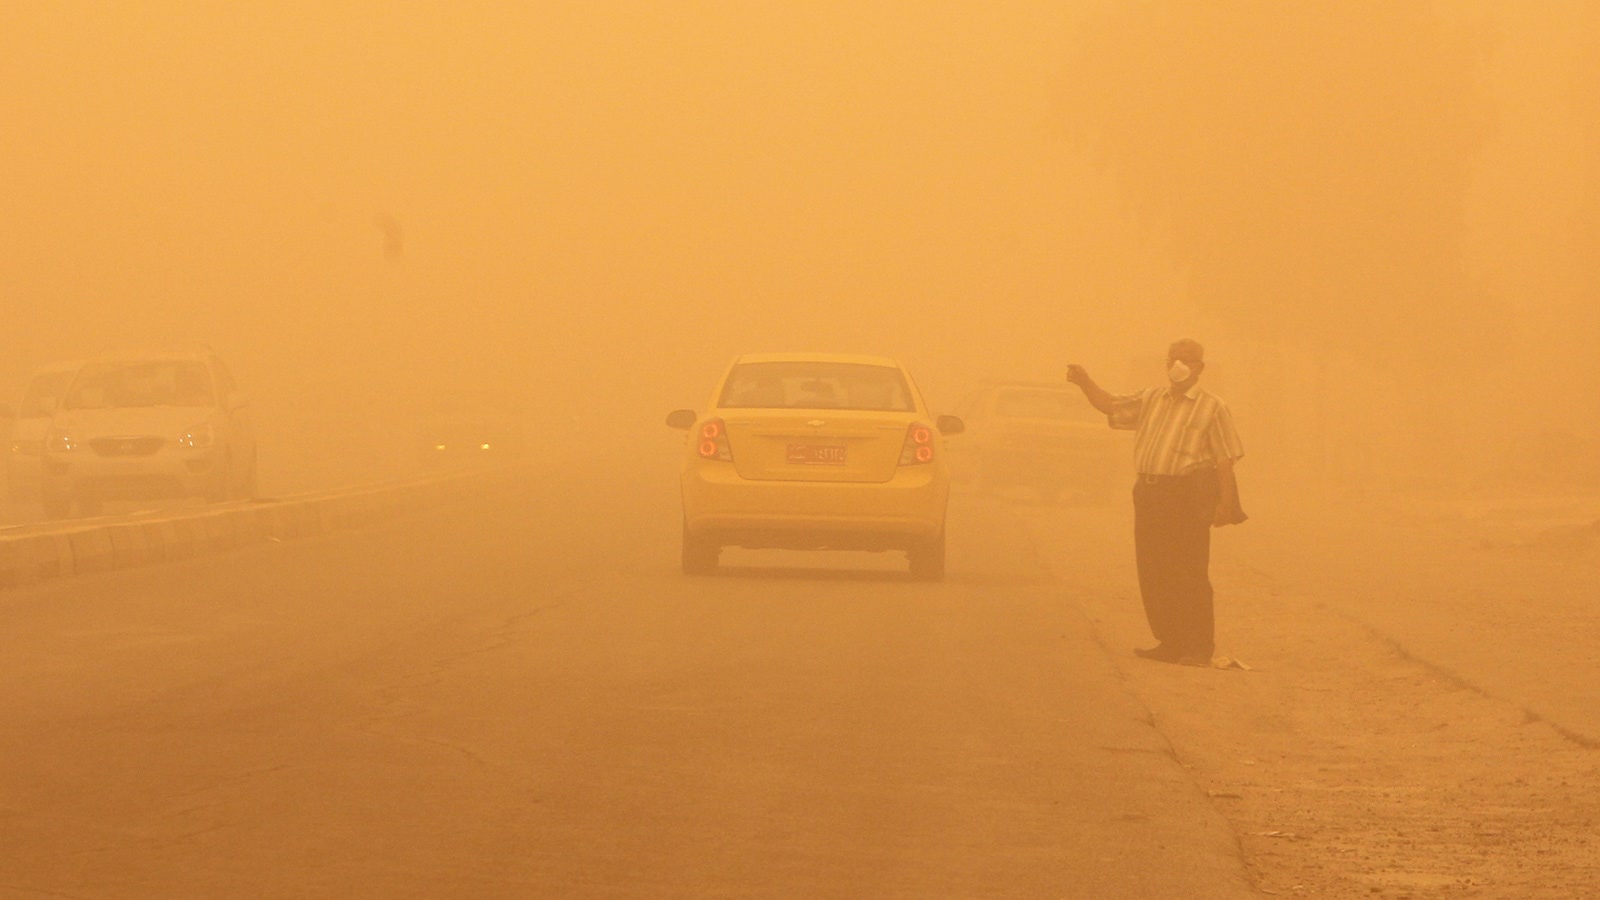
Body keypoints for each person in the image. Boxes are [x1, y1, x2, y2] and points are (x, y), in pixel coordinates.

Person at [1065, 339, 1245, 666]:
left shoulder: (1212, 407)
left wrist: (1225, 505)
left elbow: (1224, 459)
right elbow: (1110, 405)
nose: (1180, 365)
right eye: (1175, 359)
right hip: (1150, 492)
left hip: (1185, 494)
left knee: (1188, 571)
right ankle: (1170, 641)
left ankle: (1199, 646)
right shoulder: (1151, 399)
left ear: (1200, 368)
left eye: (1188, 360)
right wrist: (1084, 382)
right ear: (1166, 364)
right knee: (1154, 569)